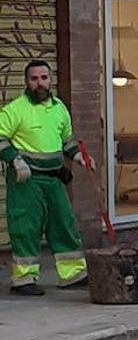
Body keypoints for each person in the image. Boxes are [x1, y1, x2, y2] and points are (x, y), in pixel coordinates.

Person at [0, 60, 93, 295]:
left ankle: (72, 274)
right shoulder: (15, 110)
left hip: (53, 178)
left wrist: (79, 157)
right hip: (26, 179)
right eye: (34, 79)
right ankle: (24, 279)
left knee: (63, 223)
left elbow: (67, 139)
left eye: (44, 78)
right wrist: (14, 160)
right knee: (26, 227)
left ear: (50, 80)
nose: (39, 83)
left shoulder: (59, 108)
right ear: (27, 81)